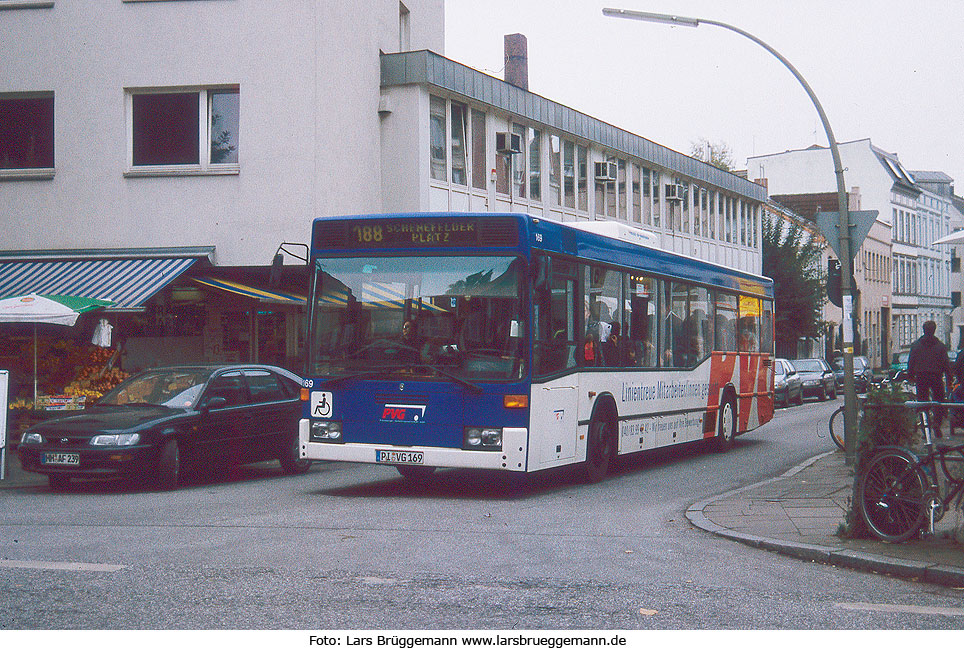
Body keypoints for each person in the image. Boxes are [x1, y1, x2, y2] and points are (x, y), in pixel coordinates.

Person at [907, 320, 953, 437]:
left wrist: (910, 376)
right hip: (936, 376)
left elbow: (911, 362)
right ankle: (937, 422)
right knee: (939, 401)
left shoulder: (916, 346)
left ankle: (925, 428)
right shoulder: (940, 346)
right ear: (934, 330)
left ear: (923, 330)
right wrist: (949, 379)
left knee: (922, 403)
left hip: (921, 377)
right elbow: (946, 364)